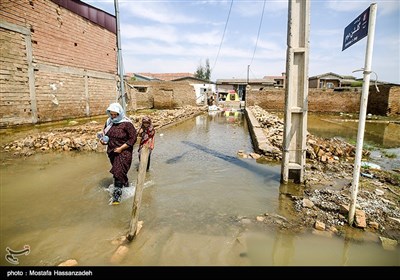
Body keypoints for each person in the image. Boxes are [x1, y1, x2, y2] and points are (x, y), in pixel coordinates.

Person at [99, 102, 137, 205]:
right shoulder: (109, 122)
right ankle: (127, 186)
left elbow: (133, 138)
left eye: (115, 114)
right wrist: (103, 141)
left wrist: (121, 148)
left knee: (117, 172)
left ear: (120, 113)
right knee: (120, 173)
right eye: (111, 114)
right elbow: (105, 134)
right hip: (112, 152)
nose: (113, 116)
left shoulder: (127, 123)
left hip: (124, 152)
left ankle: (116, 197)